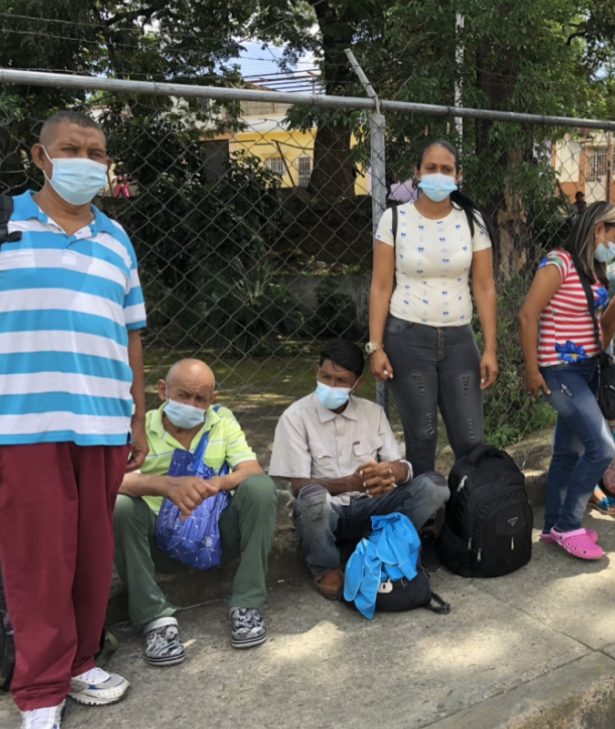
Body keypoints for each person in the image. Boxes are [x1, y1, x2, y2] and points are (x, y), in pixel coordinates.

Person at [0, 111, 145, 728]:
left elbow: (132, 335)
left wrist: (136, 419)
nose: (86, 160)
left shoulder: (116, 239)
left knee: (91, 555)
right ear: (41, 155)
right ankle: (39, 692)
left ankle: (82, 661)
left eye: (96, 152)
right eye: (71, 149)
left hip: (103, 422)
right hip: (20, 425)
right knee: (38, 562)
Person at [113, 359, 277, 666]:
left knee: (261, 488)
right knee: (120, 505)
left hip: (214, 538)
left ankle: (247, 604)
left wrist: (217, 483)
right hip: (156, 543)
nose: (191, 404)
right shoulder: (141, 429)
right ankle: (155, 619)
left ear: (212, 400)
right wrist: (164, 486)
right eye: (183, 395)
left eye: (200, 399)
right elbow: (112, 481)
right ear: (163, 390)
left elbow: (251, 468)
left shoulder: (222, 421)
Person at [270, 340, 449, 599]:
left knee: (435, 486)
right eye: (325, 377)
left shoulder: (372, 413)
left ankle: (379, 548)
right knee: (311, 500)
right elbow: (299, 487)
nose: (331, 386)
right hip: (328, 513)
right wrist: (353, 483)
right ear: (316, 372)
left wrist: (393, 471)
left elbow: (399, 465)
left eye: (341, 381)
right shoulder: (295, 417)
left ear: (358, 384)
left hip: (371, 507)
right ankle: (326, 567)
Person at [368, 140, 499, 475]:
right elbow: (381, 287)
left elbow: (484, 288)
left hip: (459, 341)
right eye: (431, 168)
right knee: (422, 436)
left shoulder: (472, 222)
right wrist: (375, 346)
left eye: (446, 169)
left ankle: (467, 518)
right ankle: (423, 523)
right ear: (417, 173)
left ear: (458, 176)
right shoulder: (394, 219)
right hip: (407, 338)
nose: (438, 176)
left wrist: (490, 349)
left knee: (471, 439)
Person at [517, 202, 615, 561]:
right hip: (559, 370)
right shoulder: (558, 263)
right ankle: (569, 525)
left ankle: (553, 527)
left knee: (569, 451)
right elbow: (528, 314)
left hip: (587, 368)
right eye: (614, 237)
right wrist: (532, 370)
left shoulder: (593, 268)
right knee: (602, 448)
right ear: (597, 229)